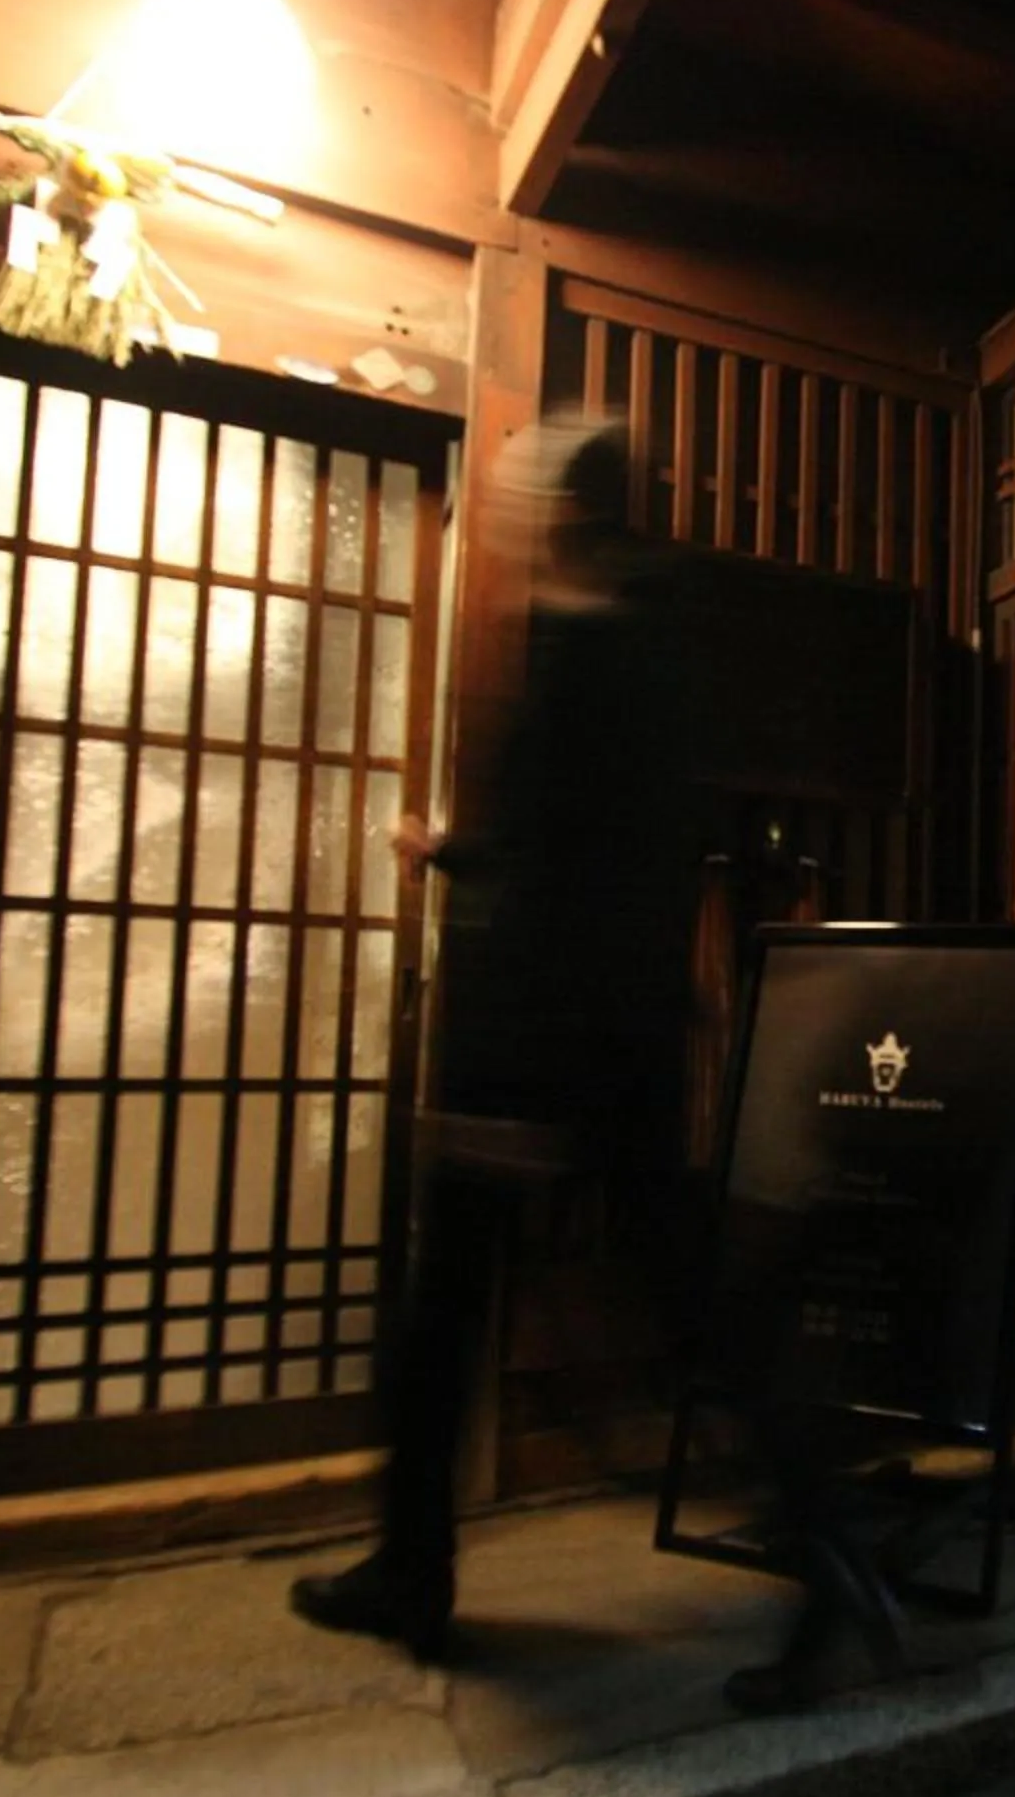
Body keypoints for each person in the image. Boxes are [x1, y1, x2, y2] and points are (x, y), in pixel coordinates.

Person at [290, 416, 710, 1662]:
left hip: (545, 1044)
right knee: (684, 1303)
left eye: (527, 506)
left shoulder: (597, 647)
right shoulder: (646, 637)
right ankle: (835, 1548)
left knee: (443, 1319)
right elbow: (576, 842)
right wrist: (455, 852)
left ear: (565, 513)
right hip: (609, 1038)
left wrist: (501, 1050)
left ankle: (412, 1570)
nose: (516, 528)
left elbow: (568, 860)